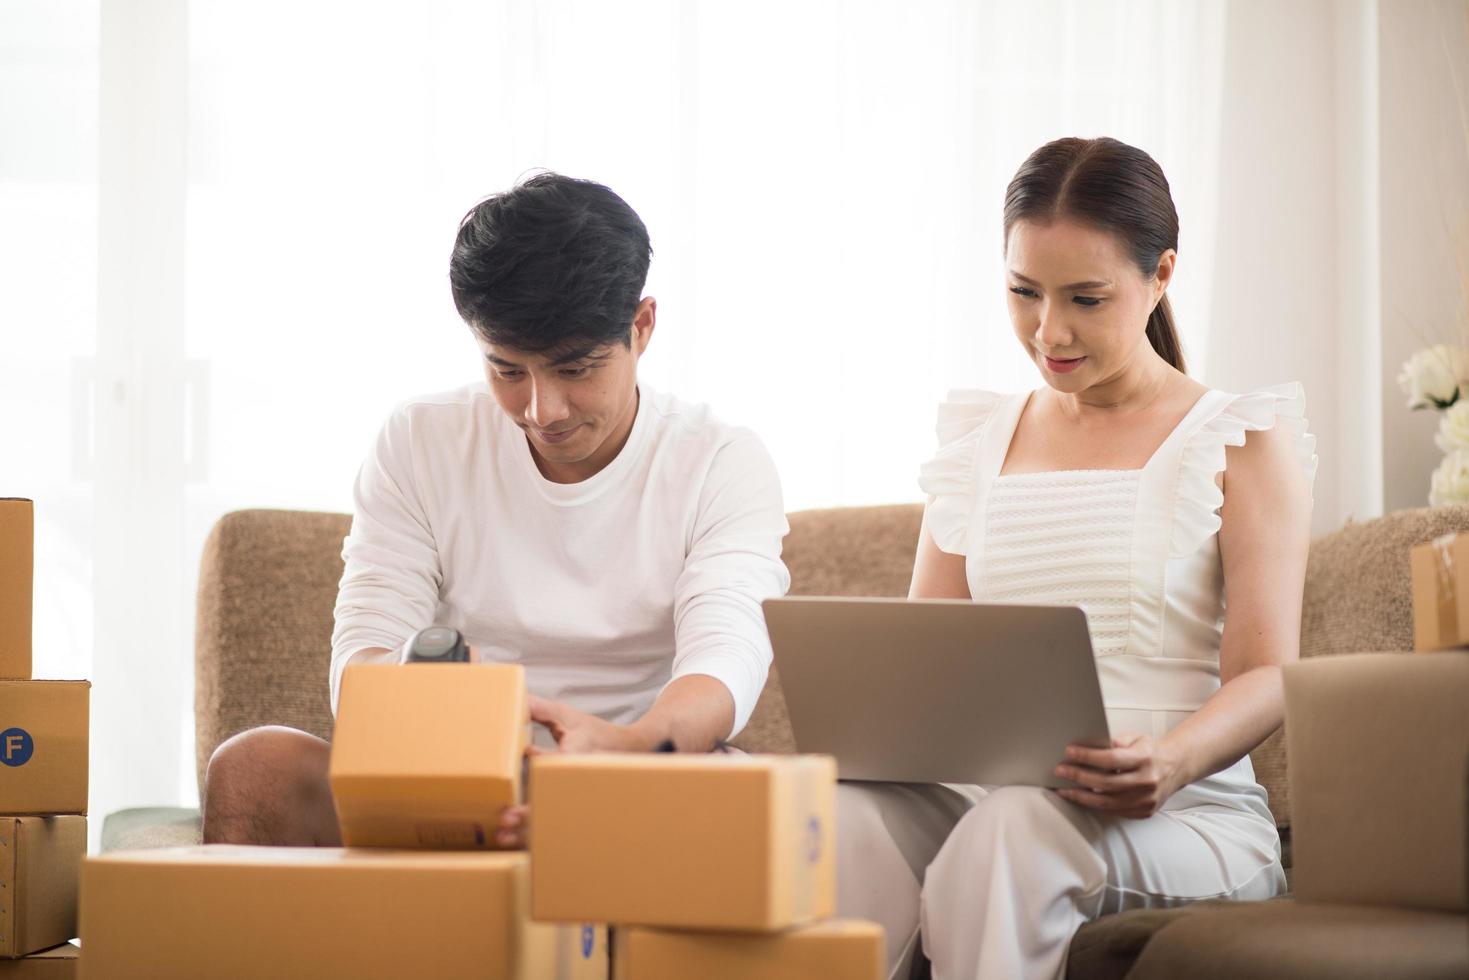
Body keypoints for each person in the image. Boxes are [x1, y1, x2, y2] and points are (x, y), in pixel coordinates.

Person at [835, 137, 1315, 980]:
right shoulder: (976, 443)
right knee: (839, 818)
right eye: (1022, 292)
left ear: (1160, 273)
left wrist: (1168, 762)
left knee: (1013, 828)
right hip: (999, 806)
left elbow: (1267, 672)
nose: (1047, 331)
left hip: (1183, 812)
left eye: (1086, 298)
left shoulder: (1239, 439)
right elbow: (920, 663)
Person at [202, 172, 790, 848]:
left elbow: (723, 662)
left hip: (637, 774)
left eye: (574, 370)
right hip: (449, 779)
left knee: (758, 807)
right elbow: (362, 656)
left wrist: (627, 751)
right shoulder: (421, 439)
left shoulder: (719, 460)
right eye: (508, 371)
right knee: (253, 768)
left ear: (642, 325)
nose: (542, 411)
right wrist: (428, 688)